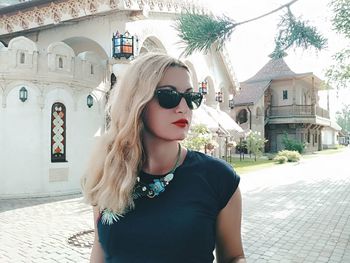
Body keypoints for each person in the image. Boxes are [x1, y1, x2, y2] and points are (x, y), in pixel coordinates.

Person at [81, 52, 246, 263]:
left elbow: (233, 256)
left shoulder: (218, 178)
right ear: (137, 102)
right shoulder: (107, 173)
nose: (184, 108)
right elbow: (100, 249)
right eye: (169, 96)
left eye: (190, 97)